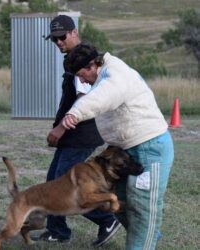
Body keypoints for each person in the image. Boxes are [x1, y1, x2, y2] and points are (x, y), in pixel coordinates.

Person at [60, 43, 174, 250]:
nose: (81, 80)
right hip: (126, 150)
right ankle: (149, 235)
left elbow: (102, 97)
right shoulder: (104, 75)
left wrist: (75, 112)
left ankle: (145, 237)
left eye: (81, 74)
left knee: (142, 210)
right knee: (117, 203)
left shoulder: (115, 75)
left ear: (92, 65)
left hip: (150, 148)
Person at [36, 15, 121, 247]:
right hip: (72, 135)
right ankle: (57, 230)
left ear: (74, 32)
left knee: (65, 187)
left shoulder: (84, 62)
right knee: (53, 181)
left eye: (62, 37)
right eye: (54, 40)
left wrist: (60, 129)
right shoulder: (74, 60)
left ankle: (107, 219)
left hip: (80, 135)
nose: (59, 43)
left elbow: (86, 100)